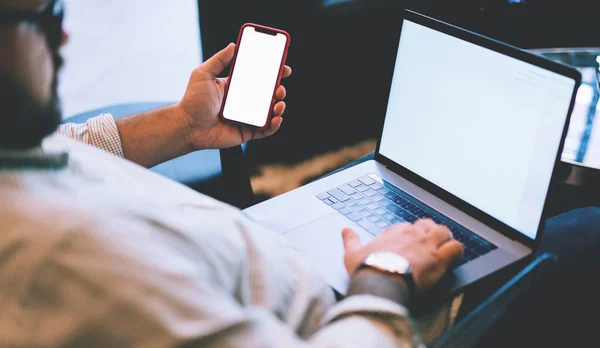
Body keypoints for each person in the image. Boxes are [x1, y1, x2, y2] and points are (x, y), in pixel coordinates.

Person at [0, 1, 597, 347]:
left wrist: (184, 124)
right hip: (369, 312)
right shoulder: (54, 263)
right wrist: (385, 273)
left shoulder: (14, 153)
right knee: (582, 232)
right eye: (40, 19)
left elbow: (69, 145)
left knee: (402, 183)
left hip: (296, 258)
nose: (65, 35)